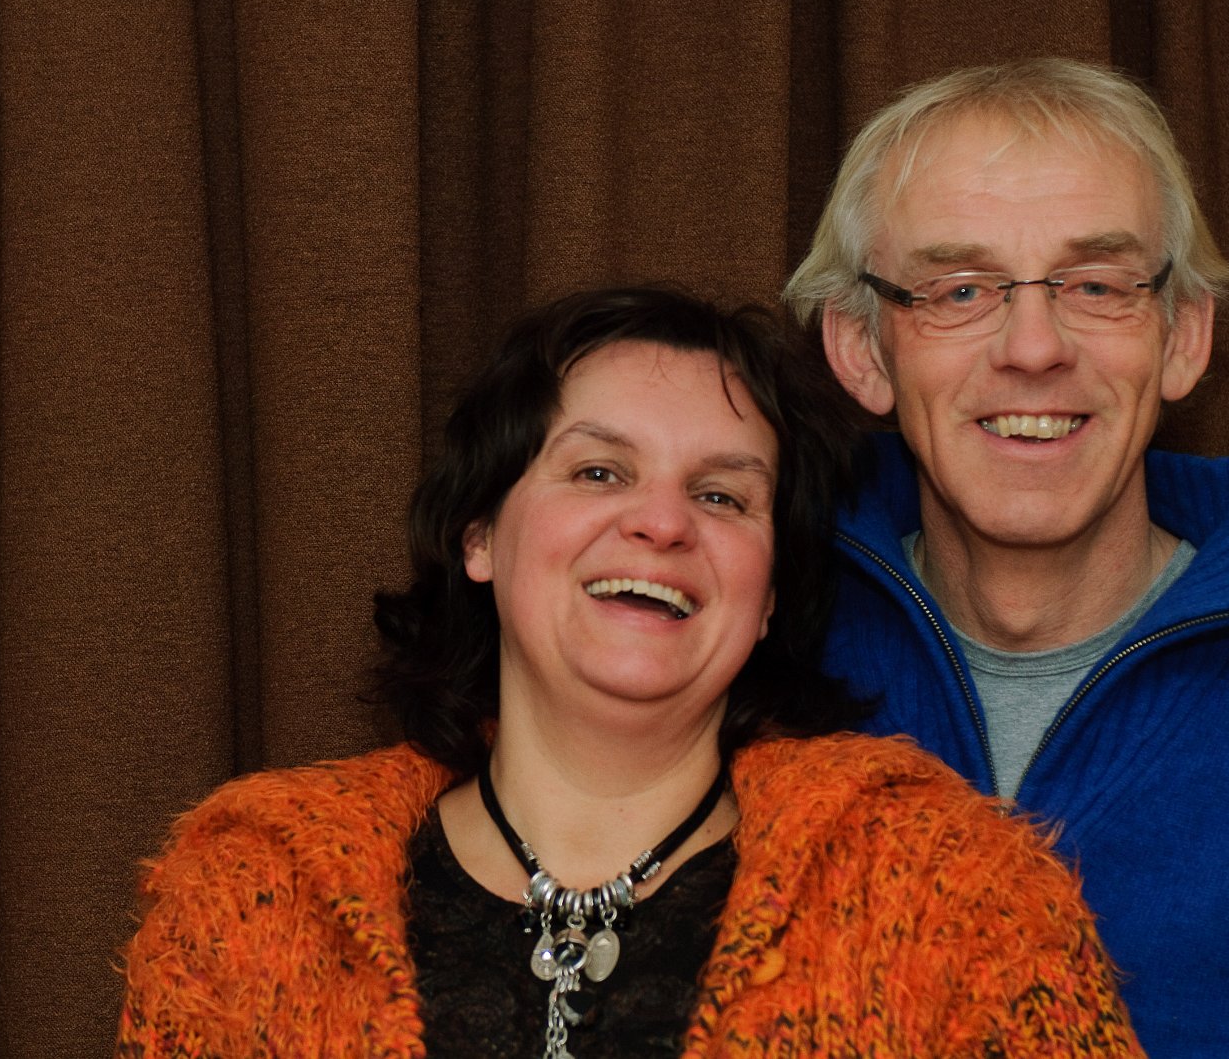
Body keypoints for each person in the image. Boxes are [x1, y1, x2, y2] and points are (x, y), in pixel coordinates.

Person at [116, 287, 1143, 1057]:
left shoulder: (957, 896)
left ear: (771, 591)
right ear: (480, 534)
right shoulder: (248, 896)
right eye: (598, 471)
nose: (660, 522)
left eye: (723, 496)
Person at [785, 57, 1229, 1057]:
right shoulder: (757, 673)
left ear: (1182, 335)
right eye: (960, 289)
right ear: (862, 349)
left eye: (1097, 285)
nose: (1034, 347)